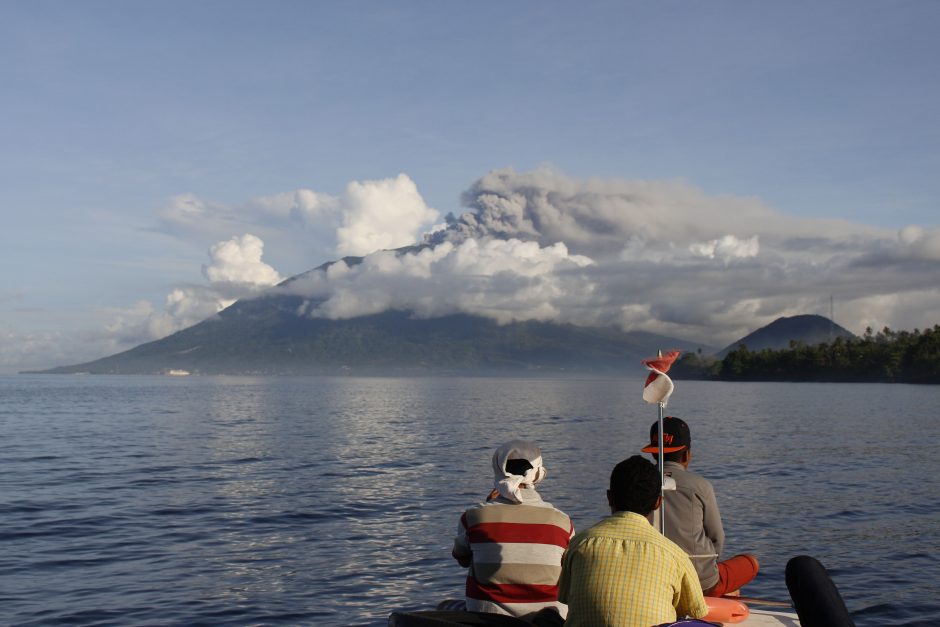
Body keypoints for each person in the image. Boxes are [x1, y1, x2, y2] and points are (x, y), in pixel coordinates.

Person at [558, 455, 708, 627]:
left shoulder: (580, 543)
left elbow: (565, 598)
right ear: (658, 502)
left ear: (609, 497)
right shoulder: (675, 556)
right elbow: (696, 613)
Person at [451, 440, 575, 620]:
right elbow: (570, 570)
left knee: (448, 606)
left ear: (498, 469)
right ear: (538, 473)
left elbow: (462, 559)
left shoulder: (473, 517)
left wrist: (488, 506)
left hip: (488, 619)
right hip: (548, 620)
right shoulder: (562, 522)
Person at [641, 416, 760, 597]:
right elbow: (717, 538)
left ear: (653, 453)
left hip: (653, 576)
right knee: (751, 563)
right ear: (687, 454)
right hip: (700, 581)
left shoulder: (639, 483)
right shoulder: (700, 485)